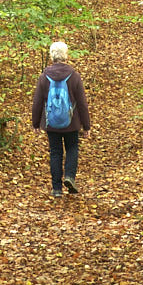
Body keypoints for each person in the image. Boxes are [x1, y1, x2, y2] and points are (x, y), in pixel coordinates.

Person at [30, 41, 91, 198]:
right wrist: (86, 126)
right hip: (72, 122)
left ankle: (56, 189)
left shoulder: (44, 76)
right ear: (66, 55)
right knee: (72, 148)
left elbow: (37, 102)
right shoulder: (74, 76)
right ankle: (69, 177)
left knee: (55, 152)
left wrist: (35, 123)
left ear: (51, 55)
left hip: (51, 123)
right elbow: (82, 103)